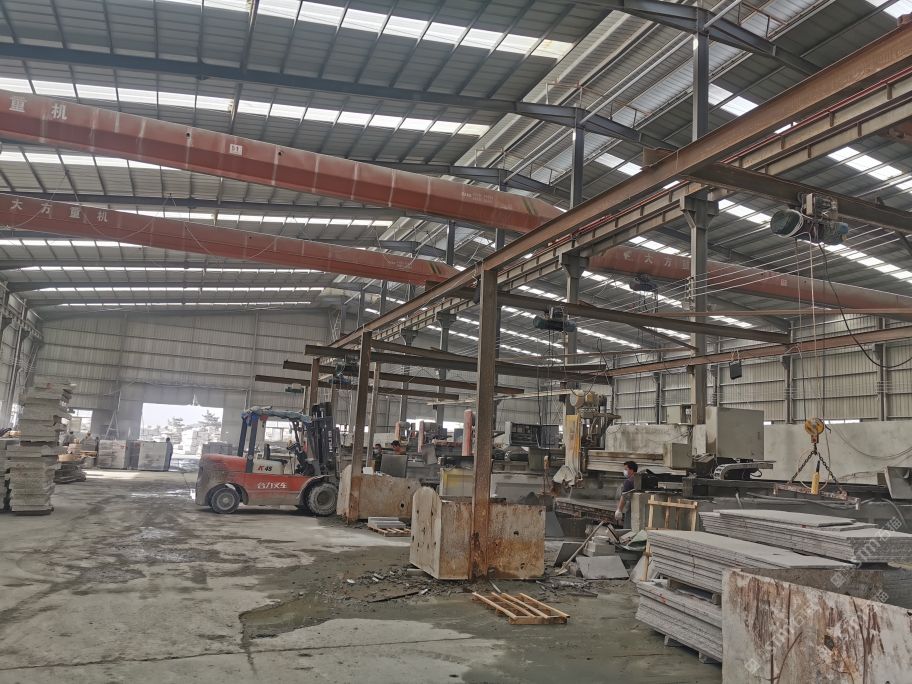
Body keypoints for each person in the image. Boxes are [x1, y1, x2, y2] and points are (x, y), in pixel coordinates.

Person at [614, 460, 638, 526]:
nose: (624, 471)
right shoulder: (640, 479)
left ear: (631, 470)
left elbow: (624, 497)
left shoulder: (628, 481)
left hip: (631, 509)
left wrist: (619, 510)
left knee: (628, 527)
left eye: (626, 469)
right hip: (640, 509)